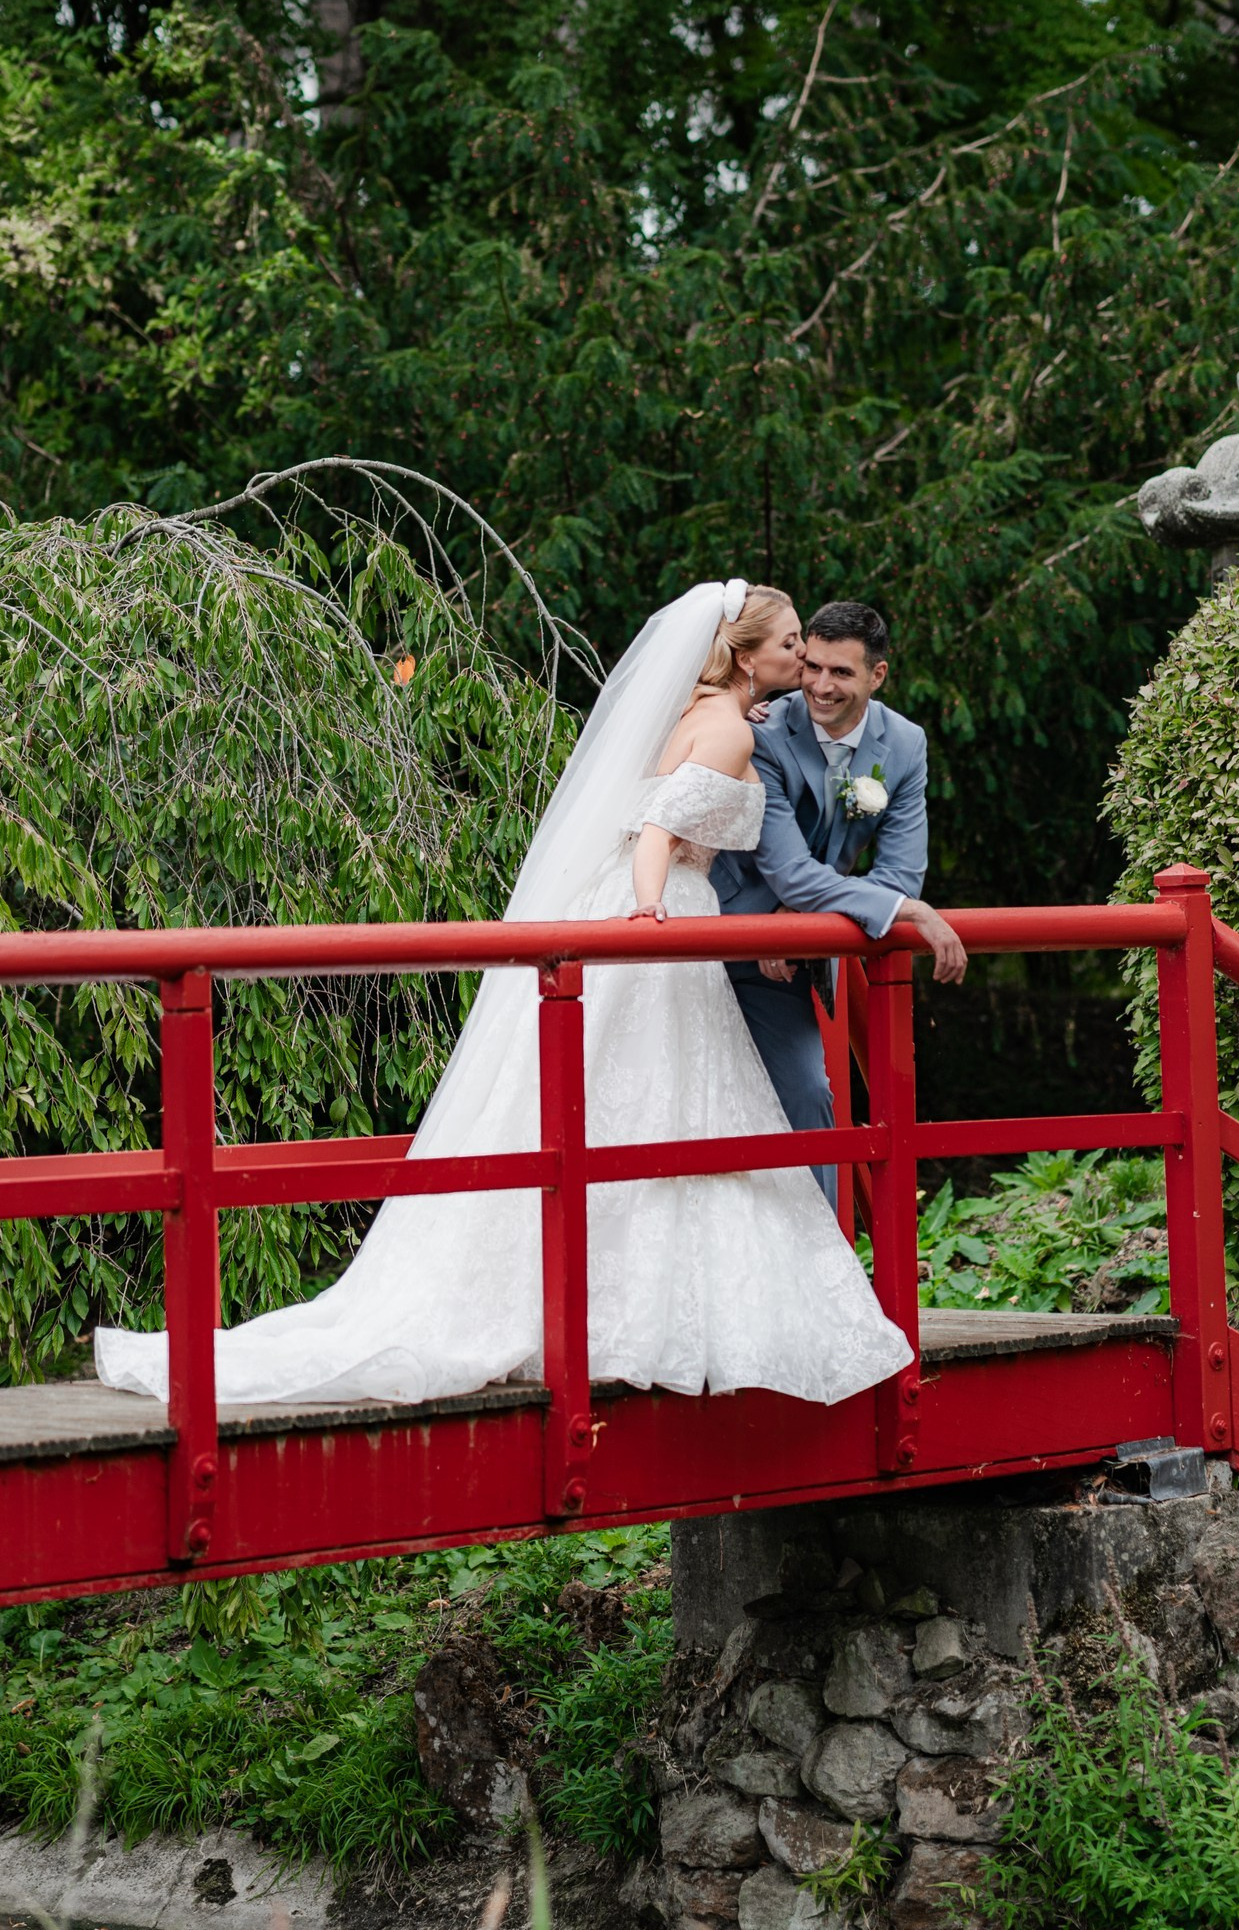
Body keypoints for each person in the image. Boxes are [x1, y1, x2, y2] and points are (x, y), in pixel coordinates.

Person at [95, 582, 912, 1410]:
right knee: (653, 1102)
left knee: (631, 1100)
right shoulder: (731, 728)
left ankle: (614, 1296)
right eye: (788, 645)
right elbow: (658, 832)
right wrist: (648, 912)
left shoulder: (704, 713)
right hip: (664, 907)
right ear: (744, 656)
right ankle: (634, 1305)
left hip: (655, 903)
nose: (802, 659)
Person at [711, 599, 967, 1208]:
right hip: (723, 931)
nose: (821, 686)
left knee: (810, 1095)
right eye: (813, 667)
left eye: (841, 673)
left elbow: (901, 873)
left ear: (877, 675)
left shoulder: (903, 743)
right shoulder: (762, 730)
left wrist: (809, 918)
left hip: (790, 960)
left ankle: (826, 1255)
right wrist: (905, 913)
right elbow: (789, 871)